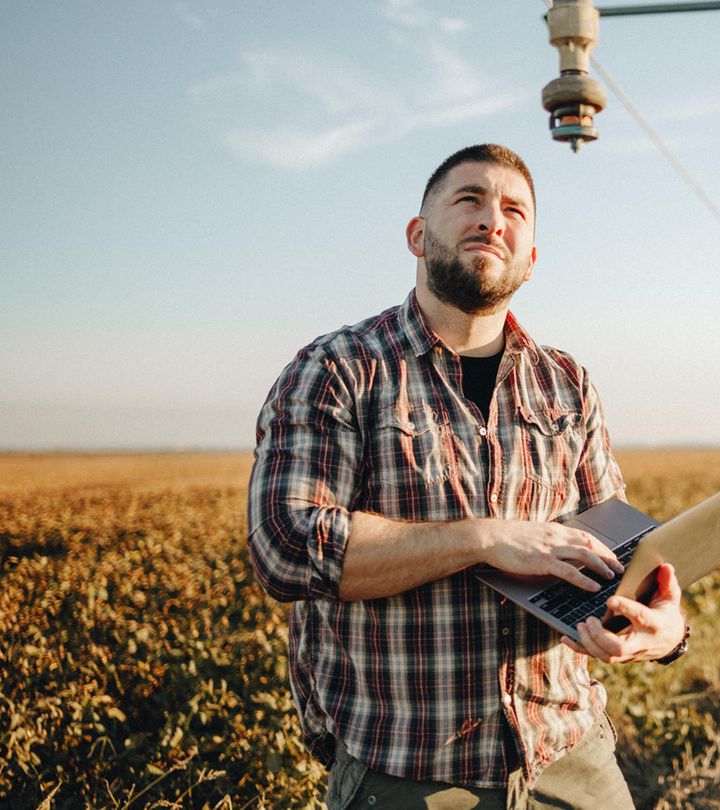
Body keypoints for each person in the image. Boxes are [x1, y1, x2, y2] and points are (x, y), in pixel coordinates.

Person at [246, 144, 688, 809]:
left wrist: (665, 630)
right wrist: (481, 539)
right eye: (469, 200)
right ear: (418, 236)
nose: (493, 219)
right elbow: (284, 548)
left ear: (531, 259)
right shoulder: (339, 368)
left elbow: (615, 545)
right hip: (408, 770)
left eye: (514, 209)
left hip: (571, 756)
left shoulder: (566, 382)